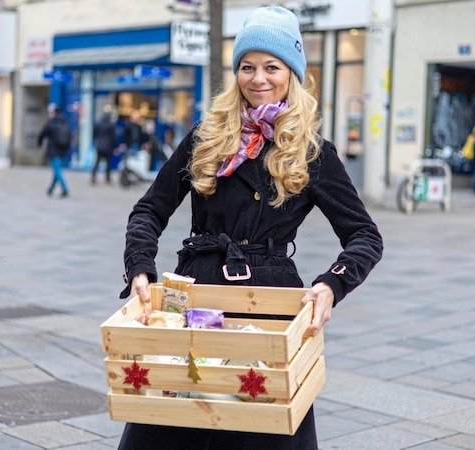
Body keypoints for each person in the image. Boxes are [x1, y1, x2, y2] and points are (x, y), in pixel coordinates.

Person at [117, 6, 383, 450]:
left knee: (260, 429)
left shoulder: (313, 150)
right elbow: (148, 211)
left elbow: (364, 236)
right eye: (247, 66)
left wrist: (330, 286)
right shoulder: (206, 137)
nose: (258, 78)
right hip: (196, 304)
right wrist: (140, 265)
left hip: (270, 311)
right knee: (172, 419)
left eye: (271, 67)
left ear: (292, 73)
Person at [38, 106, 72, 198]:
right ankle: (51, 189)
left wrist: (39, 143)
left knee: (57, 170)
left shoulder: (51, 123)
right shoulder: (65, 123)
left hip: (53, 150)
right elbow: (70, 137)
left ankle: (65, 188)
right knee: (57, 169)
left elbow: (42, 134)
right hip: (62, 151)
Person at [91, 105, 117, 185]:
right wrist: (114, 146)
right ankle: (108, 179)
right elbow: (113, 137)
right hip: (108, 146)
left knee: (97, 162)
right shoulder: (111, 124)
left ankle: (93, 177)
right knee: (108, 164)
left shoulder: (98, 122)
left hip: (99, 145)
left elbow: (94, 133)